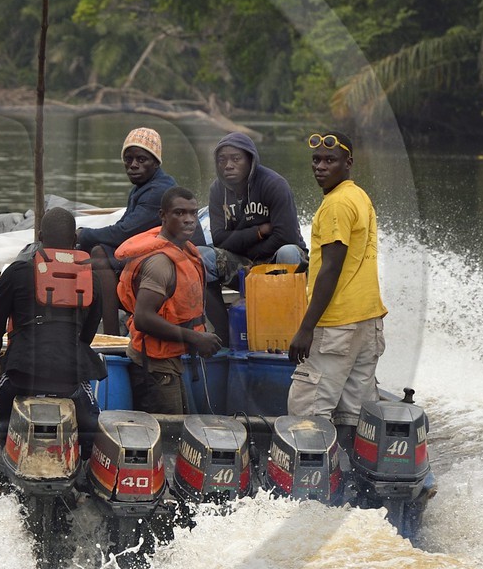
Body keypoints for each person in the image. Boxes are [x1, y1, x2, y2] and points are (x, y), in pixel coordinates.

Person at [0, 207, 105, 452]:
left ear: (40, 237)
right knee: (91, 429)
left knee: (3, 425)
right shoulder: (91, 280)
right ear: (75, 240)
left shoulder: (17, 272)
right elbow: (86, 337)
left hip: (20, 377)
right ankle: (83, 463)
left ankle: (4, 454)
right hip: (70, 382)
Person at [286, 131, 387, 448]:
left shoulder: (336, 205)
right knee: (354, 416)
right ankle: (352, 485)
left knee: (307, 410)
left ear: (348, 163)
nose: (321, 166)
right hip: (367, 322)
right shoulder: (359, 197)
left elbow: (331, 267)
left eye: (330, 160)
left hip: (336, 325)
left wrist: (306, 327)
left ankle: (312, 490)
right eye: (316, 160)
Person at [116, 186, 222, 414]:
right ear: (163, 215)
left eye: (193, 213)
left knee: (180, 430)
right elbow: (144, 318)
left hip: (169, 363)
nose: (189, 220)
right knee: (169, 438)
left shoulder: (182, 251)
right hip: (154, 367)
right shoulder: (160, 263)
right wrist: (194, 337)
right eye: (179, 213)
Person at [77, 127, 188, 334]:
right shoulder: (143, 187)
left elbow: (124, 232)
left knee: (99, 253)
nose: (133, 165)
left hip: (166, 259)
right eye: (128, 159)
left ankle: (111, 334)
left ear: (156, 162)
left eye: (141, 159)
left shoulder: (157, 190)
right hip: (151, 251)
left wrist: (83, 235)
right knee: (99, 250)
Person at [204, 131, 307, 276]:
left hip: (275, 259)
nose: (228, 165)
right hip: (240, 261)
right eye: (222, 160)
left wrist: (249, 251)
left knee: (288, 251)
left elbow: (286, 237)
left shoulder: (274, 185)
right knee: (203, 256)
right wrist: (258, 232)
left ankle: (290, 298)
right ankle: (215, 300)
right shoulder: (217, 190)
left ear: (250, 160)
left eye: (236, 159)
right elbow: (219, 240)